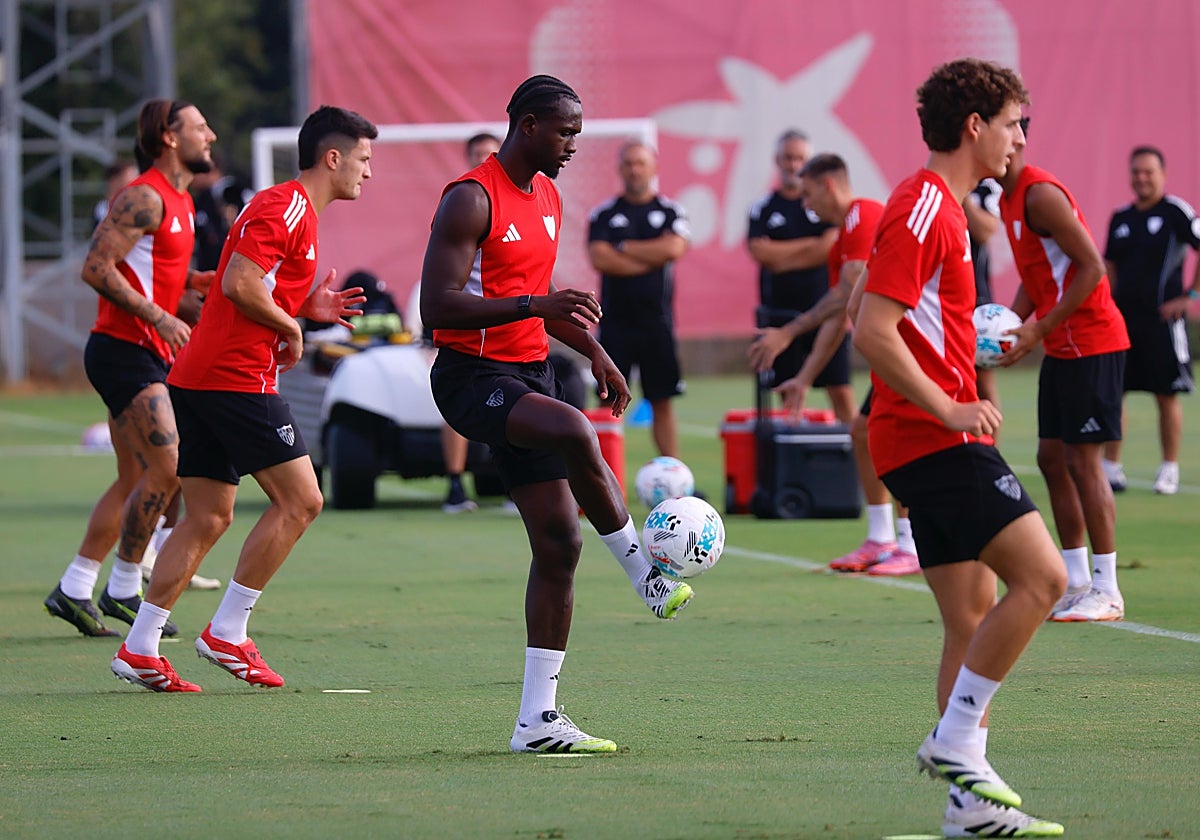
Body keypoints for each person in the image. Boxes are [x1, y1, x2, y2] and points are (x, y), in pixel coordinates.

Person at [420, 75, 694, 754]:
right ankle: (644, 574)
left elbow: (537, 296)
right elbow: (437, 305)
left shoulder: (547, 195)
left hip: (528, 372)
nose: (573, 144)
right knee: (575, 427)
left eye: (577, 132)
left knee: (560, 543)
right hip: (470, 378)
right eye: (566, 131)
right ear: (529, 125)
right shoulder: (470, 197)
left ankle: (537, 721)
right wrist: (533, 308)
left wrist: (596, 352)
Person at [852, 59, 1066, 837]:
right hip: (929, 437)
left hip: (929, 434)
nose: (1019, 139)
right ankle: (954, 740)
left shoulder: (943, 207)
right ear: (975, 126)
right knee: (1045, 578)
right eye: (1012, 123)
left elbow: (896, 315)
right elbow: (871, 329)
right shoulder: (924, 204)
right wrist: (948, 403)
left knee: (971, 619)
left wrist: (969, 369)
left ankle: (969, 809)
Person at [110, 105, 376, 692]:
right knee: (302, 501)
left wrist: (304, 306)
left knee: (208, 515)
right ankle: (227, 632)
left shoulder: (293, 210)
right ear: (332, 157)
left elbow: (256, 284)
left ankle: (140, 647)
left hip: (201, 376)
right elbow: (238, 283)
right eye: (363, 158)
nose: (368, 171)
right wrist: (291, 325)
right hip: (235, 378)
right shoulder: (286, 205)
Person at [45, 99, 219, 638]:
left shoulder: (181, 199)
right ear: (169, 137)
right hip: (124, 351)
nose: (210, 135)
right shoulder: (144, 195)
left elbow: (151, 269)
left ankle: (75, 587)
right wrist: (160, 316)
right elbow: (96, 268)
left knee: (133, 479)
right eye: (199, 127)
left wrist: (190, 285)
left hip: (142, 349)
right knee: (169, 467)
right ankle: (123, 586)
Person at [747, 153, 919, 576]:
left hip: (914, 348)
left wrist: (788, 332)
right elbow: (839, 316)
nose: (806, 205)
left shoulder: (863, 215)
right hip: (893, 351)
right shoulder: (843, 237)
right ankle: (882, 539)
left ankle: (912, 543)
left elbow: (846, 291)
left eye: (808, 195)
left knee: (898, 440)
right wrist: (805, 378)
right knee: (863, 431)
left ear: (828, 185)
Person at [997, 122, 1130, 623]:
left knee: (1083, 462)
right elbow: (1037, 275)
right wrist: (1009, 328)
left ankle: (1107, 588)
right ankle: (1074, 582)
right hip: (1061, 346)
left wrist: (1039, 328)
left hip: (1093, 342)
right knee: (1051, 458)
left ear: (1015, 139)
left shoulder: (1039, 195)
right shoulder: (1008, 199)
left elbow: (1092, 267)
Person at [1102, 146, 1200, 495]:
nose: (1142, 178)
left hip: (1162, 322)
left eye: (1149, 172)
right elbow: (1109, 264)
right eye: (1136, 172)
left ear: (1163, 174)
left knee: (1166, 394)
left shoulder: (1176, 212)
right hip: (1122, 323)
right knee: (1116, 393)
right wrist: (1108, 304)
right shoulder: (1121, 217)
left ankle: (1169, 469)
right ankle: (1111, 468)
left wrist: (1190, 295)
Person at [587, 140, 691, 457]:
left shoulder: (671, 211)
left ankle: (671, 472)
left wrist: (624, 247)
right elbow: (600, 258)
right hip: (615, 323)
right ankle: (601, 473)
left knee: (661, 400)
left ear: (653, 167)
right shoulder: (604, 214)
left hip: (656, 322)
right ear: (620, 169)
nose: (635, 170)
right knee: (607, 399)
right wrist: (652, 257)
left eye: (641, 163)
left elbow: (674, 248)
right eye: (629, 163)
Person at [747, 130, 854, 421]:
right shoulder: (763, 207)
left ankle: (855, 446)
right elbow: (761, 253)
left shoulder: (846, 215)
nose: (793, 165)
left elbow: (828, 251)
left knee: (841, 391)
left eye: (799, 158)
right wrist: (811, 247)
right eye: (788, 158)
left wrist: (782, 255)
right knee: (789, 393)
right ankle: (795, 445)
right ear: (777, 160)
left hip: (826, 309)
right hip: (782, 312)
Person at [442, 131, 501, 513]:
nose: (484, 159)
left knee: (515, 404)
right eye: (477, 153)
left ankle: (513, 483)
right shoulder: (463, 202)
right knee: (458, 404)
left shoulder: (521, 199)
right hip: (468, 327)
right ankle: (454, 483)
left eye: (489, 153)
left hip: (512, 325)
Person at [965, 178, 1004, 408]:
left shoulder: (985, 188)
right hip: (940, 300)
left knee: (983, 383)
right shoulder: (934, 188)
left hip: (977, 302)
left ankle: (991, 433)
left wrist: (962, 195)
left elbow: (984, 230)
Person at [92, 159, 138, 230]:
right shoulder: (102, 209)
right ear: (114, 180)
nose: (136, 179)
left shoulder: (138, 205)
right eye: (131, 175)